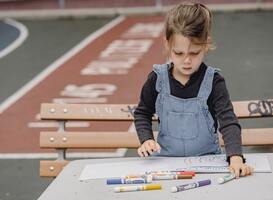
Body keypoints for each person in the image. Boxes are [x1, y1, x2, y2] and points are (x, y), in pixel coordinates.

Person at [133, 2, 252, 178]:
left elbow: (228, 121)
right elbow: (142, 113)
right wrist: (147, 139)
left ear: (206, 45)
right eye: (179, 53)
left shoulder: (214, 81)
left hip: (207, 164)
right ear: (167, 45)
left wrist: (235, 157)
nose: (187, 60)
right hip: (166, 163)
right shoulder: (157, 79)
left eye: (194, 53)